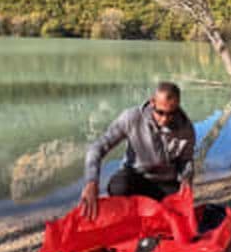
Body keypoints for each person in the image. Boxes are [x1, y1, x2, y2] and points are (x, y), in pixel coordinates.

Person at [79, 81, 196, 220]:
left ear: (177, 106)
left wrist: (187, 178)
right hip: (135, 178)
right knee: (118, 186)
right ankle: (129, 216)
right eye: (160, 112)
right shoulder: (131, 118)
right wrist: (91, 182)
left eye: (171, 113)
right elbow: (97, 147)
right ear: (153, 102)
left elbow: (186, 160)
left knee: (181, 211)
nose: (165, 119)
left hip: (165, 183)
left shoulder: (186, 128)